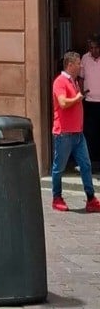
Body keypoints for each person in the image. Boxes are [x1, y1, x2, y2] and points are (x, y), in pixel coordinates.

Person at [51, 52, 100, 212]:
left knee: (86, 165)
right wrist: (77, 99)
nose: (81, 66)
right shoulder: (60, 82)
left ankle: (91, 198)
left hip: (78, 134)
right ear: (70, 65)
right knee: (59, 167)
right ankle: (56, 197)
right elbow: (63, 103)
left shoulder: (73, 82)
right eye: (78, 63)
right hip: (64, 133)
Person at [80, 36, 100, 164]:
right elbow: (81, 78)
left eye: (96, 47)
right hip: (89, 101)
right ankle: (91, 160)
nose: (94, 50)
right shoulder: (84, 58)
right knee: (90, 132)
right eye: (91, 48)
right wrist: (81, 92)